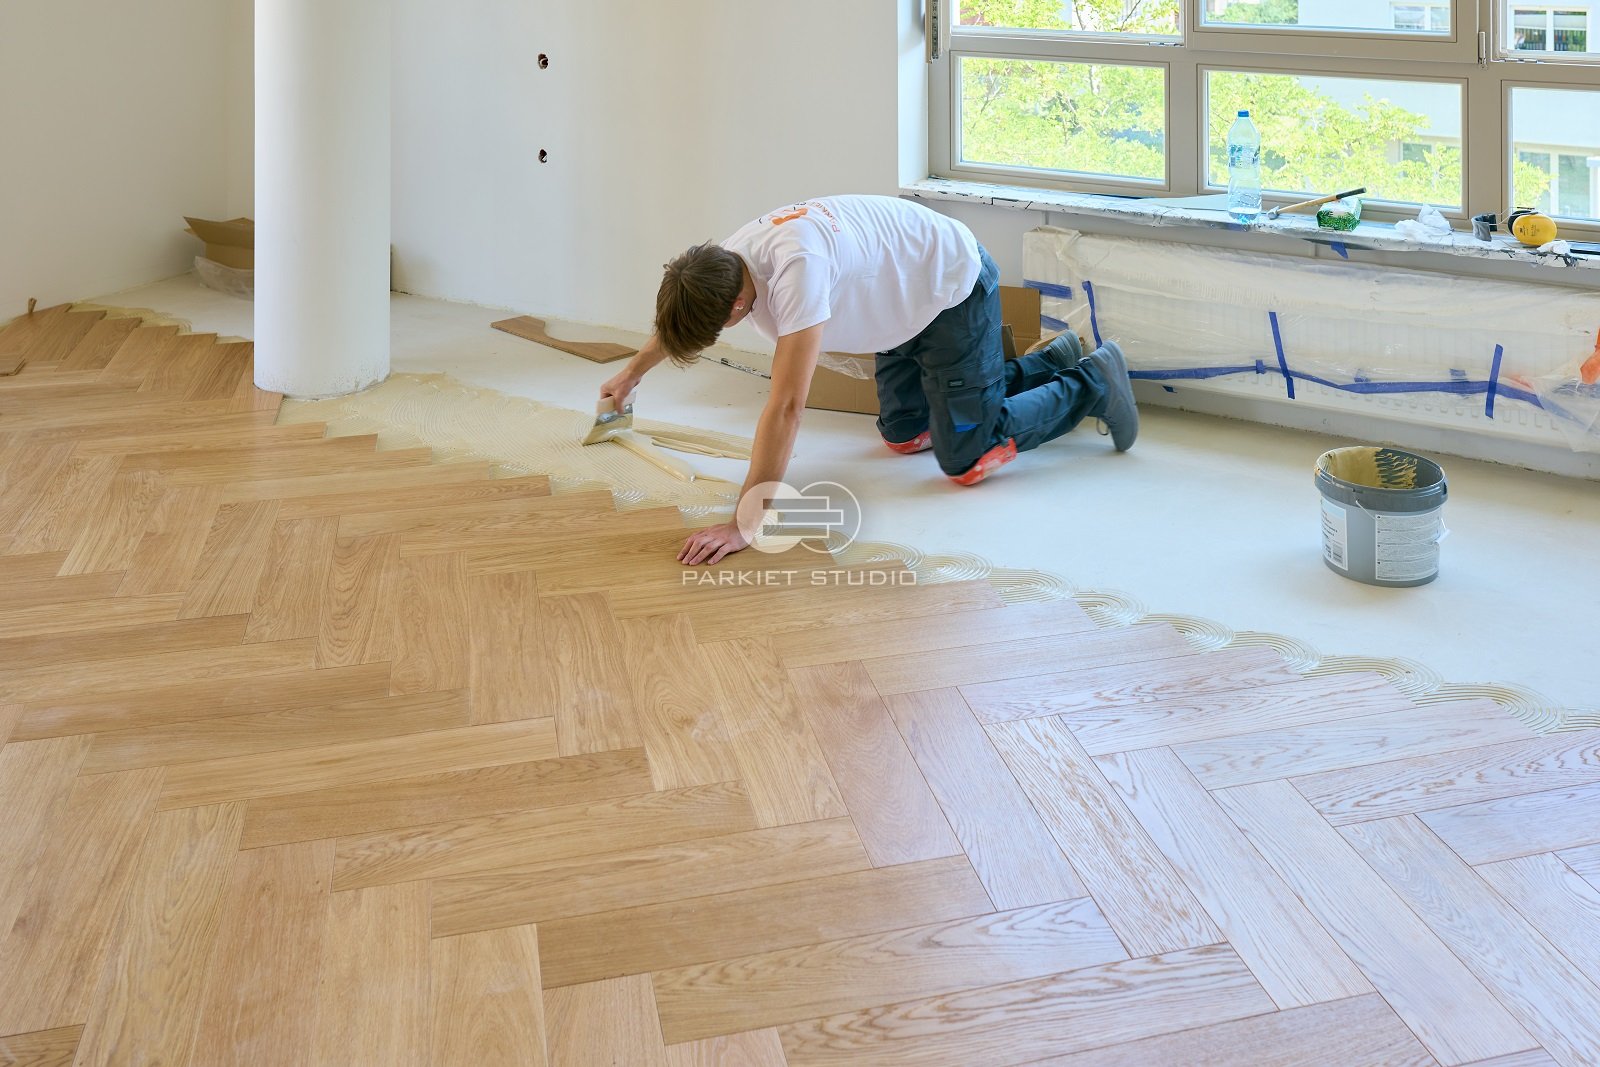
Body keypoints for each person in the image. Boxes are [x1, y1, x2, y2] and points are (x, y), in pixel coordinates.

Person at [599, 194, 1137, 565]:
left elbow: (786, 407)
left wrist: (745, 523)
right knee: (904, 434)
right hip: (902, 304)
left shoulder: (795, 273)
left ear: (737, 303)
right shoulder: (718, 266)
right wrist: (629, 375)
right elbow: (684, 320)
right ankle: (1052, 361)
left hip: (952, 289)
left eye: (721, 328)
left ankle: (1095, 381)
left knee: (967, 457)